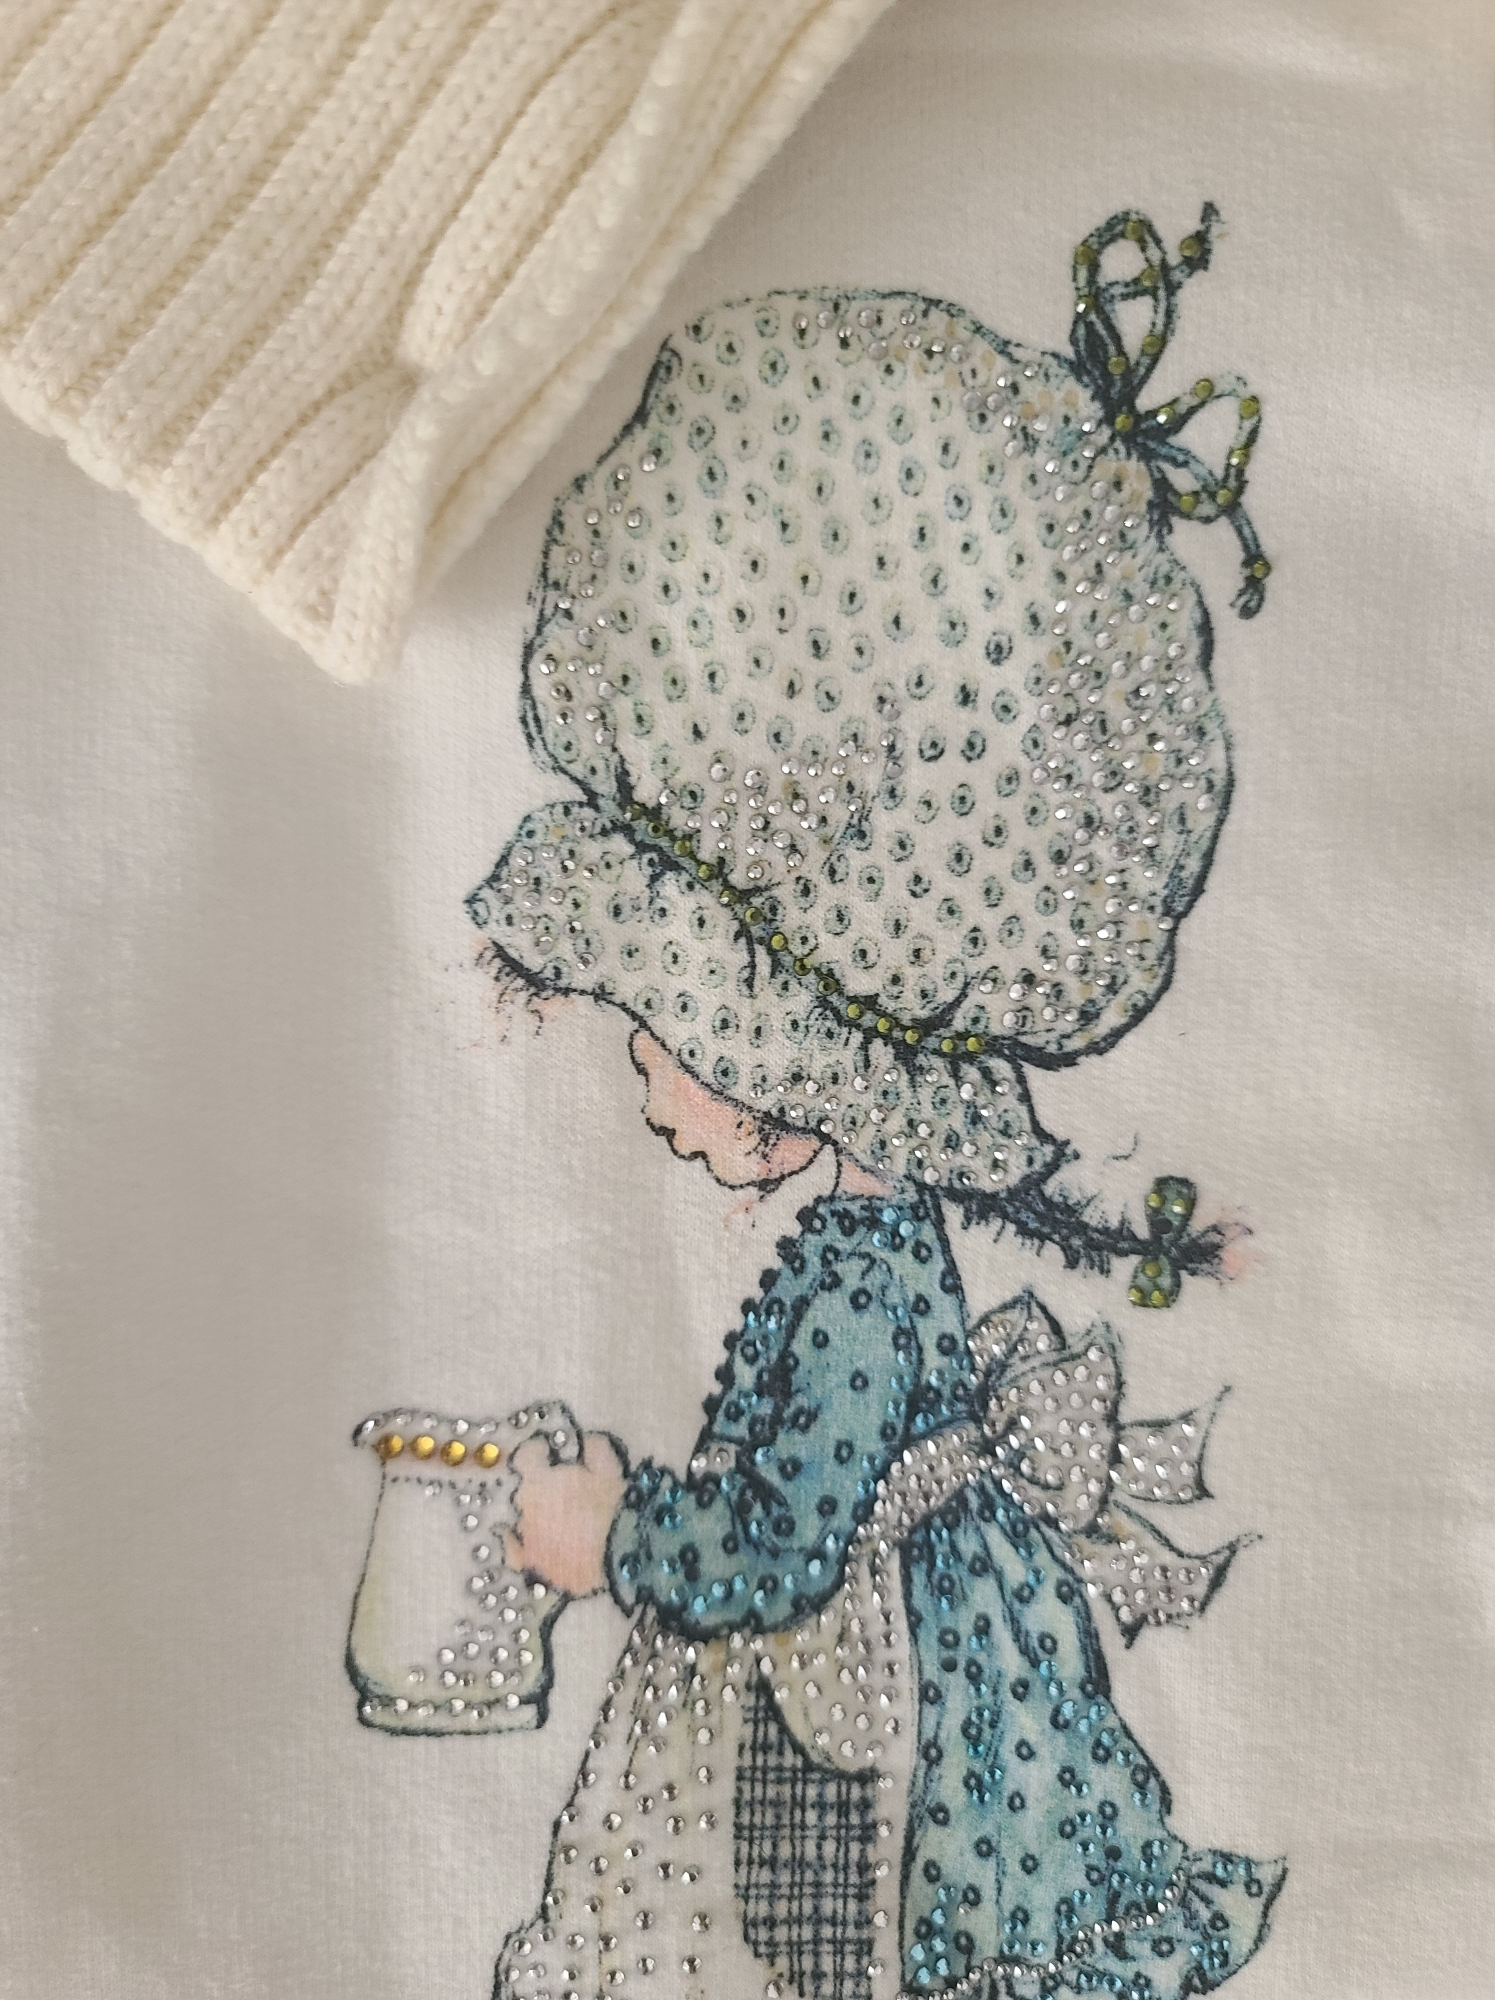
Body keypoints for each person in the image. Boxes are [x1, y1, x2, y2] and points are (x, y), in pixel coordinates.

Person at [469, 206, 1284, 1999]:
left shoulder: (854, 1276)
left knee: (806, 1951)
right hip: (887, 1685)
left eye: (662, 1035)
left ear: (784, 1064)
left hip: (868, 1727)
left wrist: (609, 1539)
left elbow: (776, 1550)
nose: (649, 1082)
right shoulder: (872, 1241)